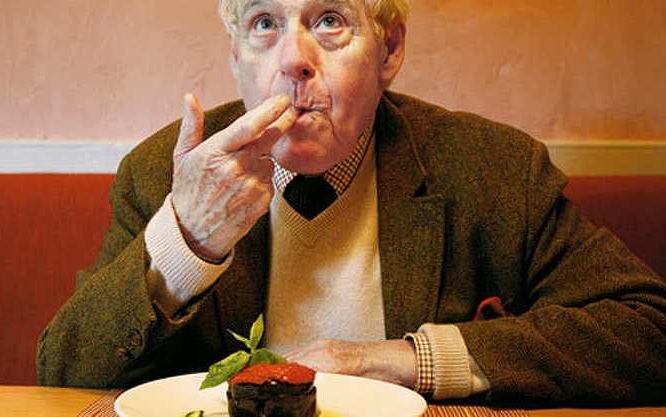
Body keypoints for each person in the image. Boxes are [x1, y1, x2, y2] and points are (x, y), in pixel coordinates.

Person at [37, 0, 666, 405]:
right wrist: (189, 241)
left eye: (329, 21)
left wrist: (409, 360)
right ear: (235, 57)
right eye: (264, 24)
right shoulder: (162, 172)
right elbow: (64, 373)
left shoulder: (493, 169)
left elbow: (648, 331)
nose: (293, 61)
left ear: (388, 51)